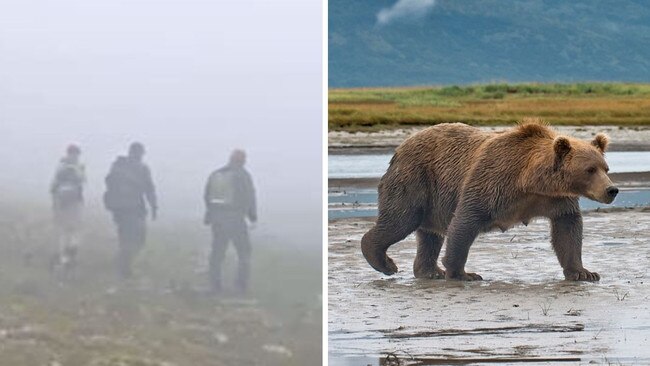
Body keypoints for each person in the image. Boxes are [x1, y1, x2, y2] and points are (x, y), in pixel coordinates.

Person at [204, 149, 257, 294]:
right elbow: (249, 196)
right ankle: (241, 286)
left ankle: (215, 285)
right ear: (242, 160)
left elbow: (207, 195)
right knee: (244, 252)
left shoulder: (216, 174)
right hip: (235, 220)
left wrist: (210, 214)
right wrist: (252, 216)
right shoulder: (243, 175)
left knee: (217, 252)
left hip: (217, 219)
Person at [103, 142, 157, 279]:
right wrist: (154, 206)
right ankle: (124, 267)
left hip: (120, 208)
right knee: (137, 238)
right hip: (132, 208)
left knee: (126, 237)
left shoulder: (118, 166)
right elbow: (149, 189)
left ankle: (122, 263)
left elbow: (109, 183)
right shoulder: (141, 168)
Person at [50, 144, 86, 272]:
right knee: (74, 228)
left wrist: (54, 203)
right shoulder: (79, 167)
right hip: (75, 201)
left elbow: (54, 186)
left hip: (62, 201)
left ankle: (64, 256)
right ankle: (72, 248)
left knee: (64, 229)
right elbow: (83, 181)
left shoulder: (61, 165)